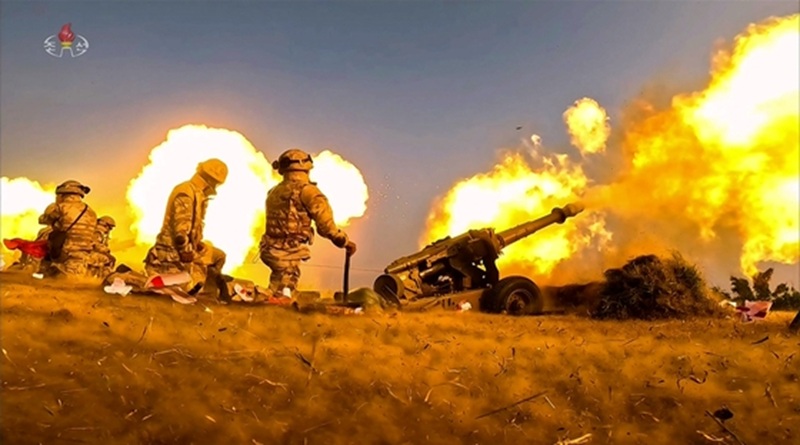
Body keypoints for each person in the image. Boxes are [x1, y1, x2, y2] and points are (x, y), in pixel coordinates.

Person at [259, 149, 357, 304]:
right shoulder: (308, 192)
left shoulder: (274, 191)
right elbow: (326, 227)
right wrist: (344, 241)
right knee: (283, 295)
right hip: (288, 253)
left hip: (269, 249)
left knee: (279, 289)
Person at [144, 158, 228, 299]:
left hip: (186, 249)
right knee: (180, 288)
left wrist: (197, 243)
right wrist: (185, 251)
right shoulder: (186, 192)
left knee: (219, 256)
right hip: (171, 253)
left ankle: (208, 293)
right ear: (211, 180)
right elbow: (181, 233)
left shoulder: (196, 193)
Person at [37, 180, 98, 277]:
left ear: (62, 193)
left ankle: (41, 270)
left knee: (45, 235)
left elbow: (43, 220)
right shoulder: (91, 211)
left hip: (65, 251)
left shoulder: (60, 207)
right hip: (84, 254)